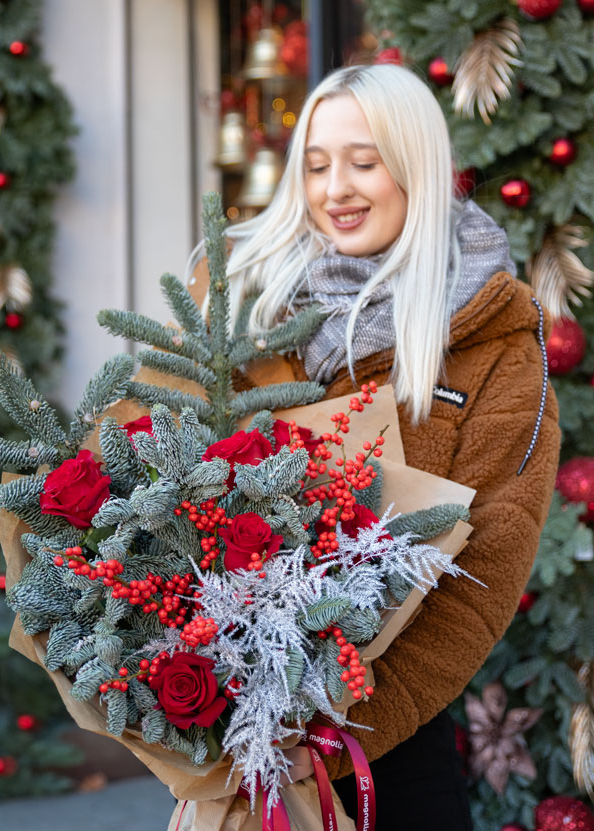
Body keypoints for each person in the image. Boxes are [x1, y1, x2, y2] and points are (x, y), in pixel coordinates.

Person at [188, 64, 561, 830]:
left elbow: (484, 570)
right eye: (317, 165)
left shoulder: (493, 340)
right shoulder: (245, 302)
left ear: (415, 165)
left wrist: (338, 734)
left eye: (364, 162)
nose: (336, 190)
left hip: (387, 748)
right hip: (230, 738)